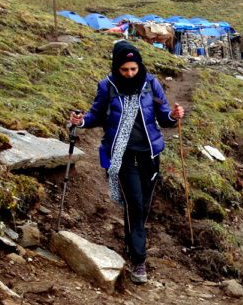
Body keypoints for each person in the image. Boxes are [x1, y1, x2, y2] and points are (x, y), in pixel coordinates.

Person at [70, 41, 184, 284]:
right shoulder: (107, 86)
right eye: (124, 70)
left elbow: (163, 116)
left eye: (133, 69)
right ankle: (138, 260)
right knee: (134, 204)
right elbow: (95, 115)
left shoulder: (150, 84)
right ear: (116, 68)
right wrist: (80, 121)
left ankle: (132, 240)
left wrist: (173, 116)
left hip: (150, 155)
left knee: (143, 205)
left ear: (139, 66)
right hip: (121, 157)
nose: (130, 74)